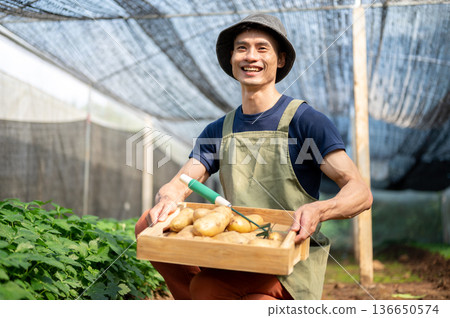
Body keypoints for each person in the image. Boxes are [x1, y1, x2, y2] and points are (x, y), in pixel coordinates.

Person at [135, 13, 372, 300]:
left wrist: (319, 210)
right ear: (232, 58)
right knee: (148, 223)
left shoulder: (305, 121)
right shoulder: (219, 130)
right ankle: (196, 296)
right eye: (241, 48)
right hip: (235, 254)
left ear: (280, 60)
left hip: (288, 262)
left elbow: (360, 192)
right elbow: (184, 179)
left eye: (262, 48)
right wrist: (171, 194)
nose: (250, 56)